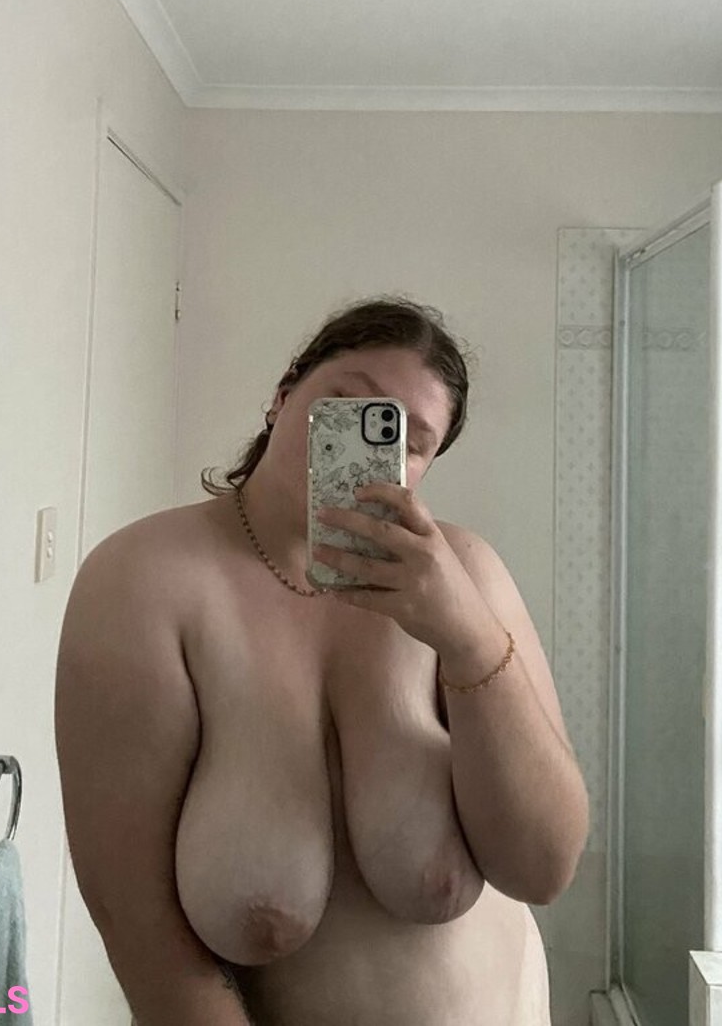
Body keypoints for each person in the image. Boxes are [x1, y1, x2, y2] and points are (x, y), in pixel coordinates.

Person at [55, 295, 588, 1026]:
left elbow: (545, 868)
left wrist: (466, 638)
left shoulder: (466, 574)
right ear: (282, 397)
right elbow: (140, 932)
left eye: (408, 439)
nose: (369, 442)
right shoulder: (143, 581)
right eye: (346, 404)